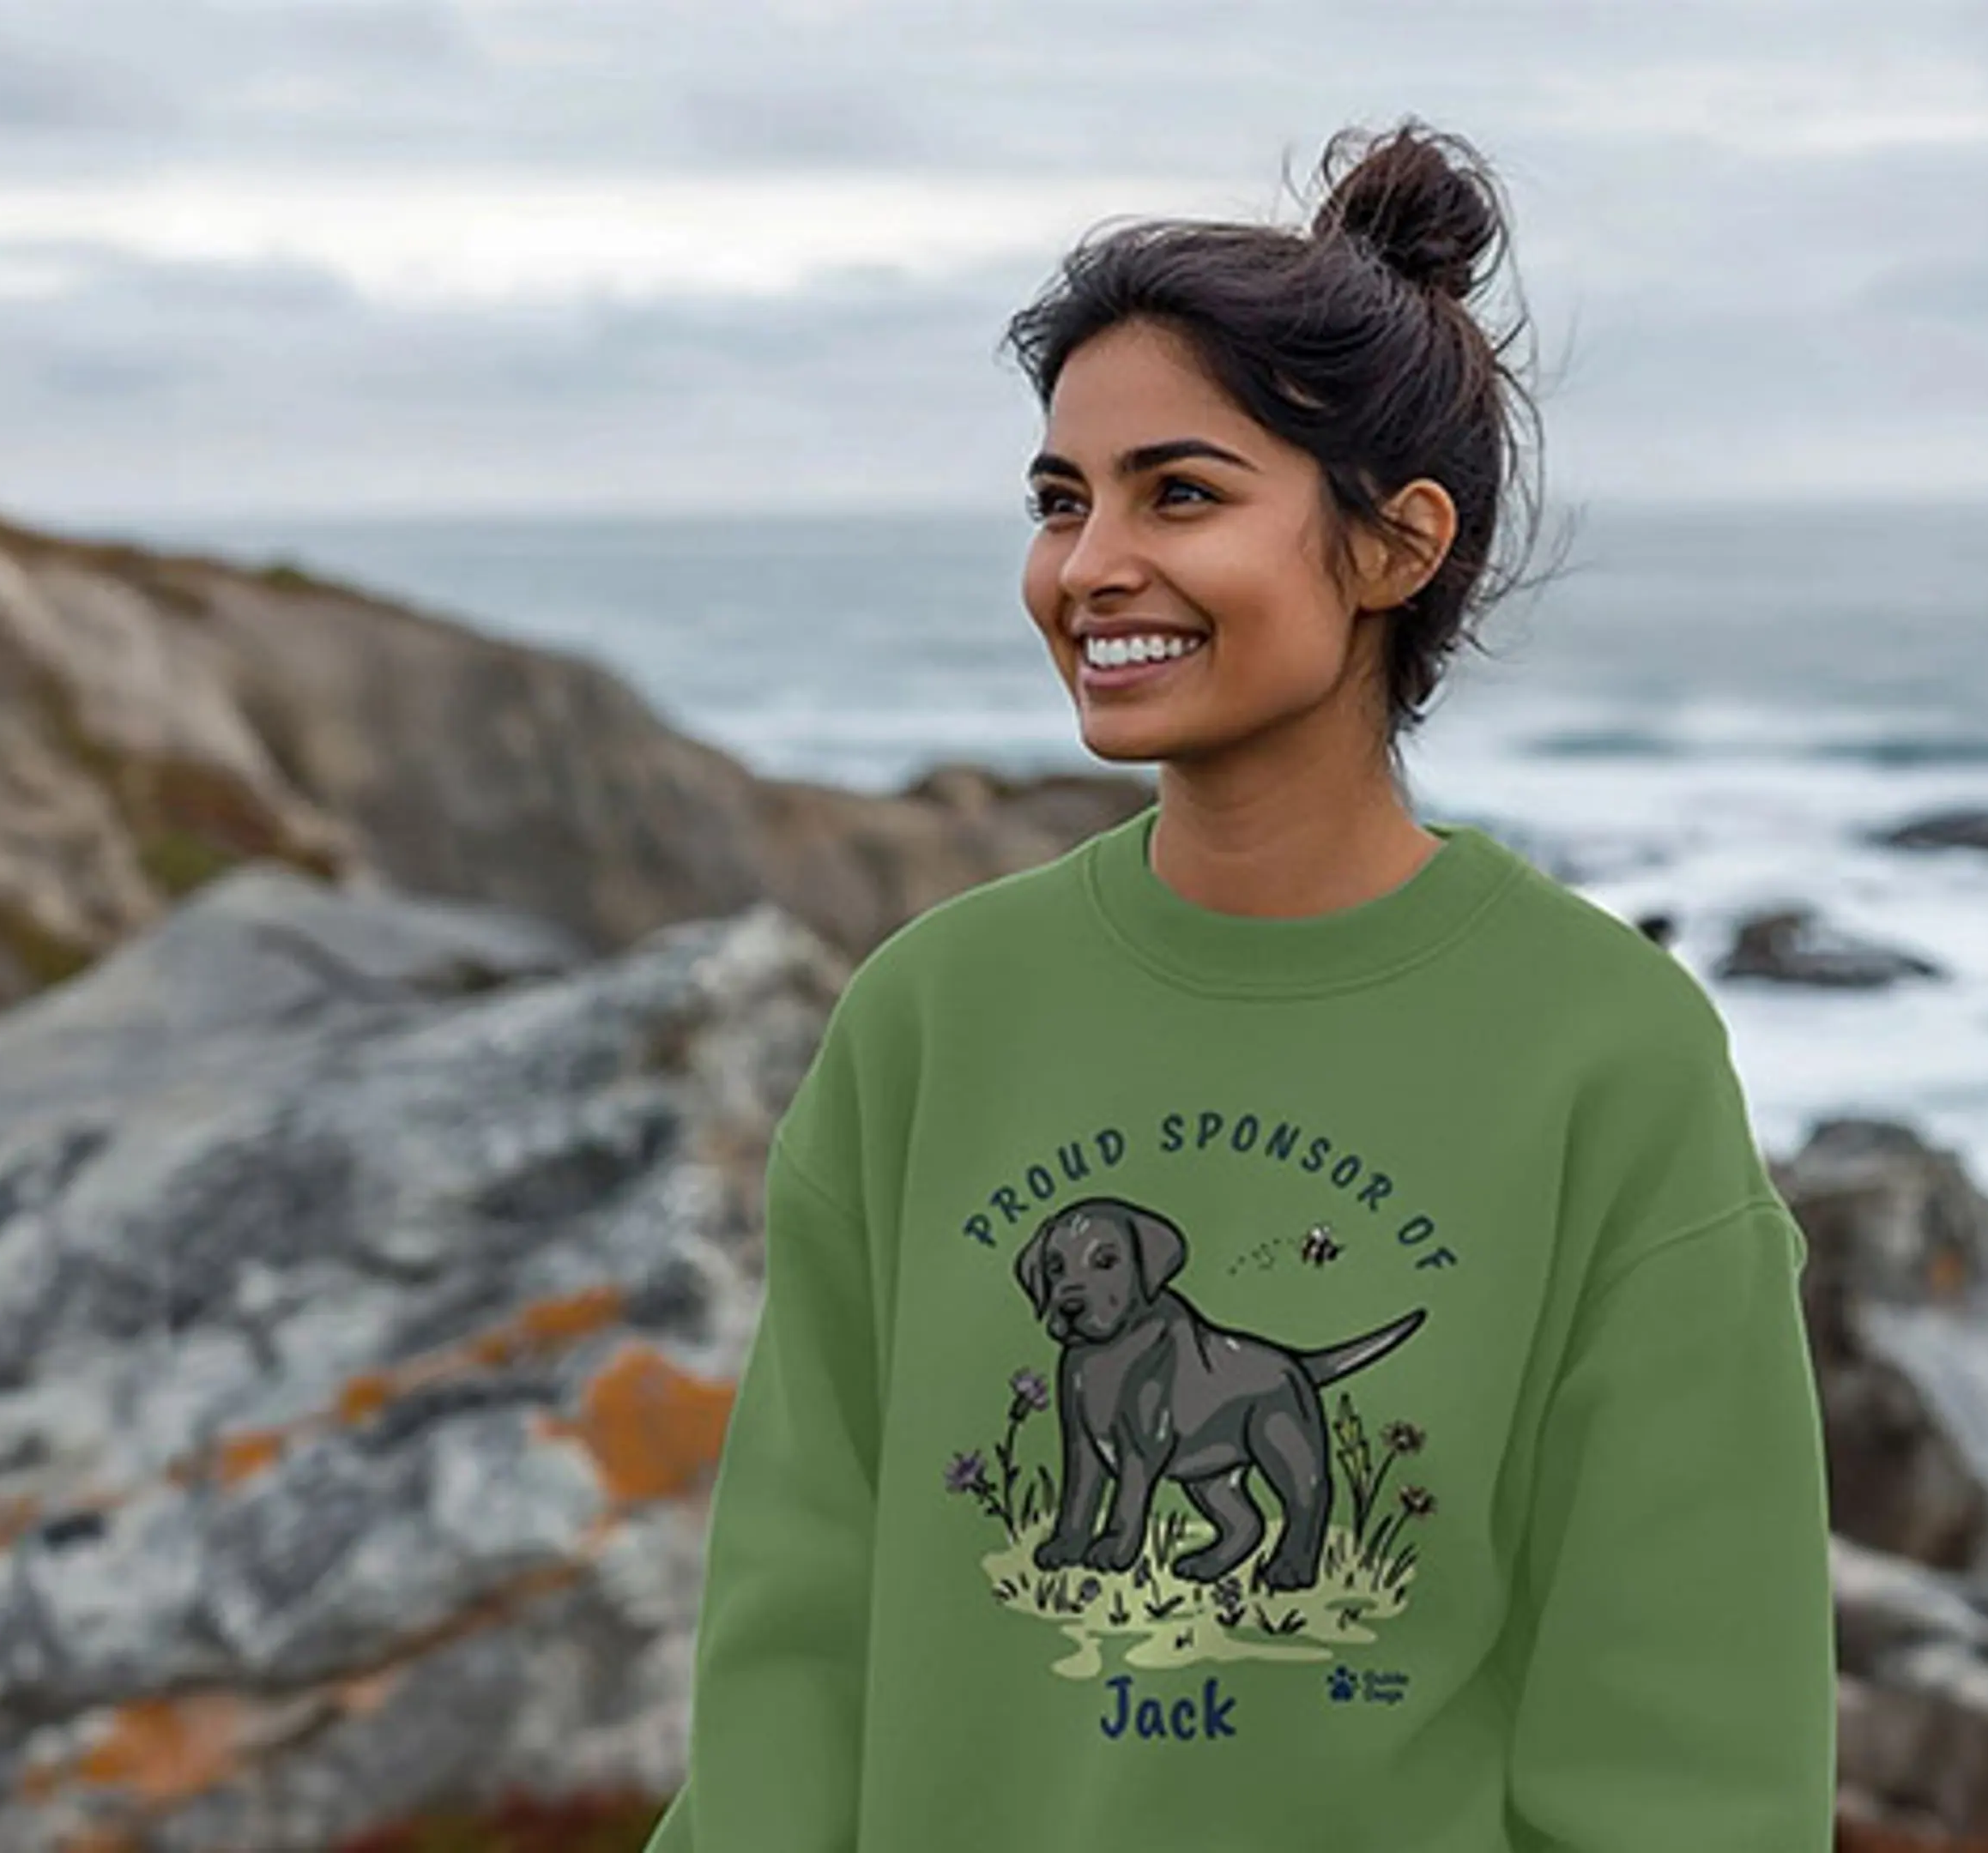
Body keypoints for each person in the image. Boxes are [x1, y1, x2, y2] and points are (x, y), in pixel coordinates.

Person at [645, 118, 1834, 1852]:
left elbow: (1691, 1741)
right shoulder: (935, 1013)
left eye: (1179, 493)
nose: (1088, 564)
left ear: (1391, 548)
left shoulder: (1604, 1051)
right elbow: (796, 1634)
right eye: (1063, 500)